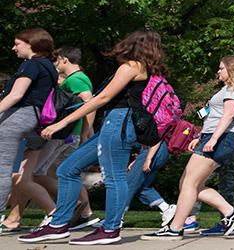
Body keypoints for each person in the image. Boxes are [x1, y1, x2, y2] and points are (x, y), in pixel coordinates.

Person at [20, 30, 164, 245]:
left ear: (132, 43)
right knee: (67, 169)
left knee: (114, 177)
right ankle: (58, 225)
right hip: (112, 123)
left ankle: (110, 229)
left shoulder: (131, 66)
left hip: (119, 123)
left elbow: (102, 97)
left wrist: (63, 122)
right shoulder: (144, 68)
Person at [143, 55, 234, 240]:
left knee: (189, 183)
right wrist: (200, 136)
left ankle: (175, 228)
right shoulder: (227, 89)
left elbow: (227, 116)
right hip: (212, 137)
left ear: (233, 69)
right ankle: (229, 212)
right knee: (189, 183)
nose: (218, 71)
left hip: (222, 139)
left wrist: (213, 140)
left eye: (221, 68)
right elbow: (214, 117)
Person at [3, 46, 101, 232]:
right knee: (55, 173)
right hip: (66, 133)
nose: (55, 65)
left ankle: (71, 208)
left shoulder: (77, 79)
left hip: (65, 134)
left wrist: (86, 131)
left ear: (64, 59)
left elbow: (90, 102)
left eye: (57, 61)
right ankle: (83, 212)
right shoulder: (75, 79)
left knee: (34, 174)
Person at [0, 29, 57, 227]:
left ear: (31, 44)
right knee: (18, 173)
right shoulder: (49, 66)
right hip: (33, 119)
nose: (14, 48)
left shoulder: (31, 64)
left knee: (2, 169)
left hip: (18, 117)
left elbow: (16, 95)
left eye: (17, 44)